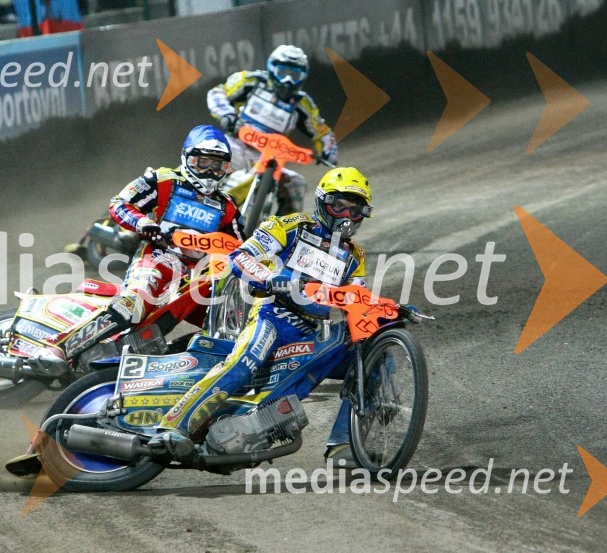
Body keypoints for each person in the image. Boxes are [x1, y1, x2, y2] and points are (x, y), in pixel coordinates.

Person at [148, 166, 373, 467]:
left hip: (310, 331)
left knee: (369, 359)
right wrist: (268, 278)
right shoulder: (291, 225)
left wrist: (383, 310)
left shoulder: (355, 256)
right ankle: (173, 428)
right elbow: (241, 256)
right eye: (339, 205)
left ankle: (343, 445)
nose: (345, 215)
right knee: (243, 364)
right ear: (322, 202)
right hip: (270, 314)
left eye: (354, 210)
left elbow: (357, 299)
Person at [30, 125, 244, 373]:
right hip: (158, 258)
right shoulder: (163, 180)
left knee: (229, 324)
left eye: (217, 166)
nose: (209, 171)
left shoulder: (227, 206)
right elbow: (119, 204)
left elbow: (241, 247)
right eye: (202, 162)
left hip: (198, 274)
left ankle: (174, 368)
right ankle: (58, 348)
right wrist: (144, 223)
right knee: (133, 306)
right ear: (187, 158)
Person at [207, 44, 338, 215]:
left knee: (296, 183)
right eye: (283, 73)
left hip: (268, 158)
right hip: (234, 145)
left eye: (294, 75)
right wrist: (227, 115)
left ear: (303, 77)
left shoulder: (303, 104)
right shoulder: (250, 81)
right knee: (202, 161)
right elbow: (217, 93)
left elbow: (322, 131)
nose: (288, 81)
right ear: (272, 69)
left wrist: (329, 151)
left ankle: (281, 233)